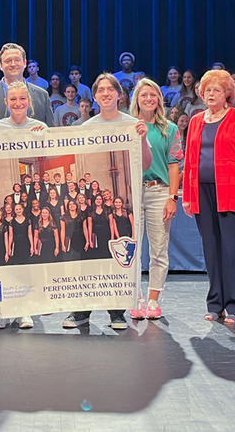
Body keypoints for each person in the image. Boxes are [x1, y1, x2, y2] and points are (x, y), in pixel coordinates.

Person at [63, 72, 152, 331]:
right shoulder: (86, 128)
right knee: (87, 259)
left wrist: (143, 138)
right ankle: (81, 312)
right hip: (88, 212)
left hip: (121, 210)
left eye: (110, 89)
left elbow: (146, 165)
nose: (105, 93)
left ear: (119, 94)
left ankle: (117, 312)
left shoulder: (132, 124)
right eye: (100, 90)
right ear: (95, 96)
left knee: (117, 257)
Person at [182, 70, 235, 325]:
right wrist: (187, 196)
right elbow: (191, 161)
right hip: (201, 192)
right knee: (211, 249)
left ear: (228, 93)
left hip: (233, 192)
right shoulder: (196, 121)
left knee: (233, 250)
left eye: (216, 90)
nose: (210, 94)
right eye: (206, 90)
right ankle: (216, 304)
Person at [128, 78, 183, 321]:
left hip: (159, 191)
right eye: (144, 95)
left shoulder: (169, 129)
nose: (149, 99)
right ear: (136, 99)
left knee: (159, 248)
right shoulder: (127, 126)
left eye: (153, 95)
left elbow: (174, 166)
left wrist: (172, 197)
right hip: (131, 193)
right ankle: (135, 298)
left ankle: (152, 300)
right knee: (132, 249)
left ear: (159, 99)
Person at [0, 43, 54, 129]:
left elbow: (51, 134)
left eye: (17, 60)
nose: (13, 64)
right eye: (8, 61)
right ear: (1, 66)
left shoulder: (43, 95)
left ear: (25, 63)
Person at [87, 194, 111, 258]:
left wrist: (112, 238)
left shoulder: (107, 210)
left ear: (102, 200)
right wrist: (90, 240)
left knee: (107, 255)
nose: (98, 200)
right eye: (97, 199)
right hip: (96, 236)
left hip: (106, 235)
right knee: (98, 255)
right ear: (94, 201)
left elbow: (111, 224)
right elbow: (90, 226)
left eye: (100, 199)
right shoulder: (91, 212)